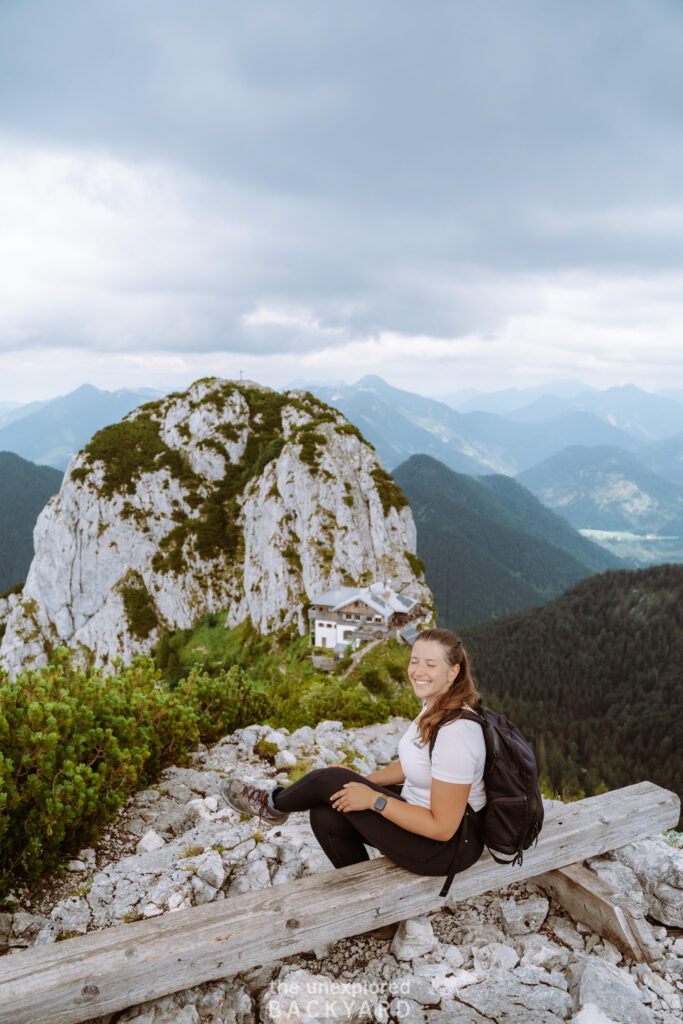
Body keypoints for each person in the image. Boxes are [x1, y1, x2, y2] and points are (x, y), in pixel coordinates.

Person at [221, 628, 486, 885]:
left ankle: (272, 806)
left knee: (332, 781)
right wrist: (359, 781)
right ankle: (373, 904)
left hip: (447, 848)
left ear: (453, 672)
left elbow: (442, 828)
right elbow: (412, 765)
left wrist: (375, 800)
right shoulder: (434, 706)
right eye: (414, 661)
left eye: (430, 664)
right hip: (420, 817)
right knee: (327, 813)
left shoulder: (456, 734)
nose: (417, 671)